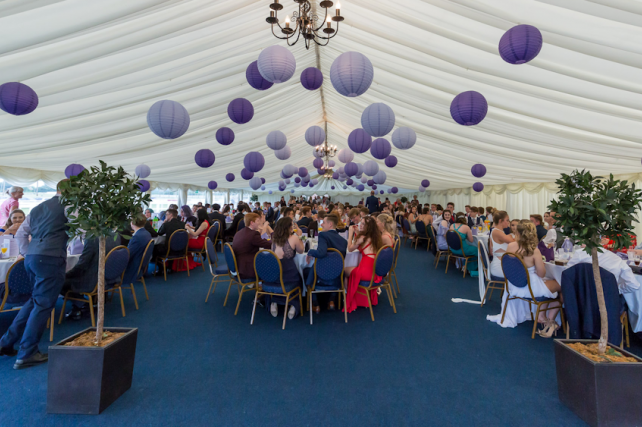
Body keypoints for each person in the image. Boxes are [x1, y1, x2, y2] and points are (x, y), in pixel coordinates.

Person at [0, 181, 68, 369]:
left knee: (34, 301)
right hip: (51, 259)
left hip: (32, 259)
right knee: (43, 305)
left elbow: (21, 233)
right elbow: (84, 231)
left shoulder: (38, 207)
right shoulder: (70, 207)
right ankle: (27, 352)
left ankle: (6, 342)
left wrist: (28, 251)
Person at [487, 222, 562, 335]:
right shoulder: (534, 251)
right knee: (561, 285)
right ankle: (549, 318)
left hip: (514, 286)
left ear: (518, 233)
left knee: (549, 284)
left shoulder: (511, 246)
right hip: (530, 288)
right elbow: (541, 274)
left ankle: (542, 315)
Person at [61, 231, 120, 320]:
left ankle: (83, 305)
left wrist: (66, 275)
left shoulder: (92, 239)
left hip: (94, 280)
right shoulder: (115, 235)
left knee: (60, 282)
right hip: (109, 275)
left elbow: (82, 266)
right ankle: (81, 304)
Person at [304, 213, 348, 313]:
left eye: (323, 223)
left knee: (305, 271)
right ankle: (332, 300)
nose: (321, 225)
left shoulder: (323, 235)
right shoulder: (344, 241)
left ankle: (315, 304)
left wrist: (310, 252)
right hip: (336, 276)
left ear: (330, 225)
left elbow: (321, 253)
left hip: (320, 276)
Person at [344, 216, 385, 313]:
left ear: (368, 227)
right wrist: (358, 232)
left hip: (365, 272)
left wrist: (350, 234)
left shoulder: (363, 238)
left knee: (344, 271)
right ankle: (357, 297)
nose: (360, 225)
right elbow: (362, 244)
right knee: (351, 269)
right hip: (375, 270)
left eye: (363, 224)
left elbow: (350, 248)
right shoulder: (375, 237)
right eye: (361, 223)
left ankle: (348, 297)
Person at [267, 217, 304, 319]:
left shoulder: (273, 237)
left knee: (281, 282)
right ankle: (293, 305)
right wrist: (300, 236)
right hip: (288, 275)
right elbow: (301, 251)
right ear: (288, 227)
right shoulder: (293, 238)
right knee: (300, 279)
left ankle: (274, 301)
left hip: (273, 275)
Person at [232, 213, 272, 281]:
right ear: (252, 223)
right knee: (273, 263)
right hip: (248, 268)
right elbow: (268, 245)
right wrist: (277, 241)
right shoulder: (252, 234)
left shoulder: (240, 232)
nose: (259, 223)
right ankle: (268, 286)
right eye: (257, 221)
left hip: (238, 266)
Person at [121, 214, 152, 290]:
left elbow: (128, 255)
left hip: (132, 267)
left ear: (132, 223)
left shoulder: (136, 237)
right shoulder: (146, 233)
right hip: (140, 266)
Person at [488, 211, 514, 279]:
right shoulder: (497, 232)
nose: (509, 222)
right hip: (499, 267)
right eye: (507, 220)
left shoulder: (497, 231)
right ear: (500, 221)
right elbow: (513, 242)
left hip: (501, 264)